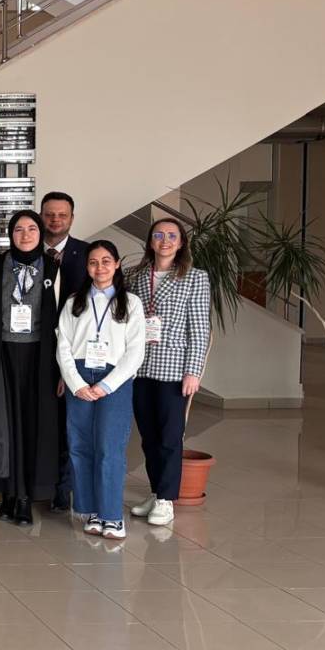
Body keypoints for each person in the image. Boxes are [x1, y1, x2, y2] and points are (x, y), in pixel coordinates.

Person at [0, 210, 61, 526]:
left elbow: (65, 320)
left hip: (40, 359)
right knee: (3, 426)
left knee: (31, 425)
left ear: (40, 233)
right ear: (10, 234)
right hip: (2, 356)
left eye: (31, 229)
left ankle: (25, 496)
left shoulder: (54, 269)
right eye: (19, 229)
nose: (25, 235)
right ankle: (7, 493)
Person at [57, 241, 146, 539]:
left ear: (117, 264)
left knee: (110, 448)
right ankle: (91, 510)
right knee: (80, 446)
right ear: (87, 267)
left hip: (114, 378)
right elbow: (63, 346)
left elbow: (135, 351)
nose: (100, 267)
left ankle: (111, 515)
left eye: (106, 261)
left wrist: (107, 385)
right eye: (93, 262)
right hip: (80, 378)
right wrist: (77, 384)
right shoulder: (74, 302)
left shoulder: (131, 303)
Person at [126, 218, 211, 528]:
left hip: (174, 369)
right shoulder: (135, 276)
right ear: (150, 241)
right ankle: (155, 491)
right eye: (159, 235)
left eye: (172, 235)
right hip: (138, 367)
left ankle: (166, 499)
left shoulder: (195, 278)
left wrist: (193, 372)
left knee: (170, 436)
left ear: (181, 242)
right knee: (148, 437)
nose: (165, 240)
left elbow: (199, 329)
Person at [41, 190, 90, 514]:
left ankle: (63, 491)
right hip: (33, 353)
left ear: (72, 218)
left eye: (62, 215)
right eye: (49, 214)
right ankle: (39, 486)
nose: (55, 220)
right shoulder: (28, 251)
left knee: (69, 426)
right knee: (40, 423)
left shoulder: (88, 255)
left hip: (74, 354)